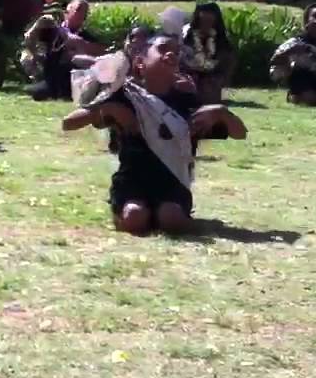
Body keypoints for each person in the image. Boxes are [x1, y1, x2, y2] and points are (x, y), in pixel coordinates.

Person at [61, 37, 248, 235]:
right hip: (132, 181)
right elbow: (68, 123)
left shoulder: (187, 102)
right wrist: (107, 109)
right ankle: (128, 214)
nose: (171, 54)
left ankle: (176, 218)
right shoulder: (126, 97)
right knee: (134, 217)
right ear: (140, 63)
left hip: (172, 182)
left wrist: (221, 113)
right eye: (162, 49)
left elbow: (240, 133)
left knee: (171, 218)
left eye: (176, 51)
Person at [29, 0, 105, 101]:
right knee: (38, 92)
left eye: (84, 12)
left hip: (74, 80)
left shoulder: (85, 36)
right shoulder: (51, 30)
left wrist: (81, 45)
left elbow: (102, 51)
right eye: (78, 10)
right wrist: (35, 55)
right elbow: (30, 39)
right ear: (67, 12)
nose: (80, 15)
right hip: (53, 78)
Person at [181, 3, 235, 104]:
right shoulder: (187, 38)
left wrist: (218, 79)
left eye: (209, 21)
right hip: (189, 83)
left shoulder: (223, 43)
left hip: (212, 87)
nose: (206, 25)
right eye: (203, 21)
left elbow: (227, 67)